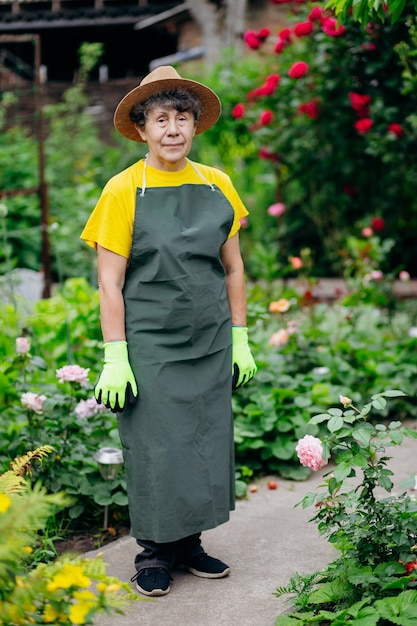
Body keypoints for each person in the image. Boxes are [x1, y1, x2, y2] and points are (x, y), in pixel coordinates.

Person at [80, 65, 257, 597]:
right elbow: (109, 283)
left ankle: (190, 545)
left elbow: (233, 268)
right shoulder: (123, 190)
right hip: (151, 342)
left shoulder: (216, 184)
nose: (173, 128)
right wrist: (117, 354)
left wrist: (242, 337)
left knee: (203, 441)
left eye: (182, 116)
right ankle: (154, 552)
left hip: (209, 340)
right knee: (158, 445)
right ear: (142, 128)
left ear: (195, 125)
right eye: (161, 118)